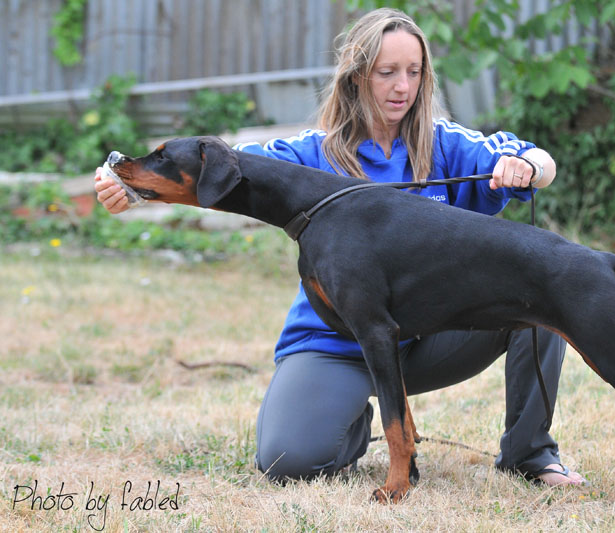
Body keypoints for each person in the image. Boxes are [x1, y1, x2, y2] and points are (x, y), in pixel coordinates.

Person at [95, 8, 585, 487]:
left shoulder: (444, 144)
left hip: (427, 337)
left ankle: (529, 453)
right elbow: (221, 165)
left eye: (413, 72)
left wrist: (528, 166)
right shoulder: (310, 153)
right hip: (334, 346)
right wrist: (127, 187)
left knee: (542, 294)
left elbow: (534, 159)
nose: (402, 87)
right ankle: (351, 417)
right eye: (387, 72)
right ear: (356, 77)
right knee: (287, 460)